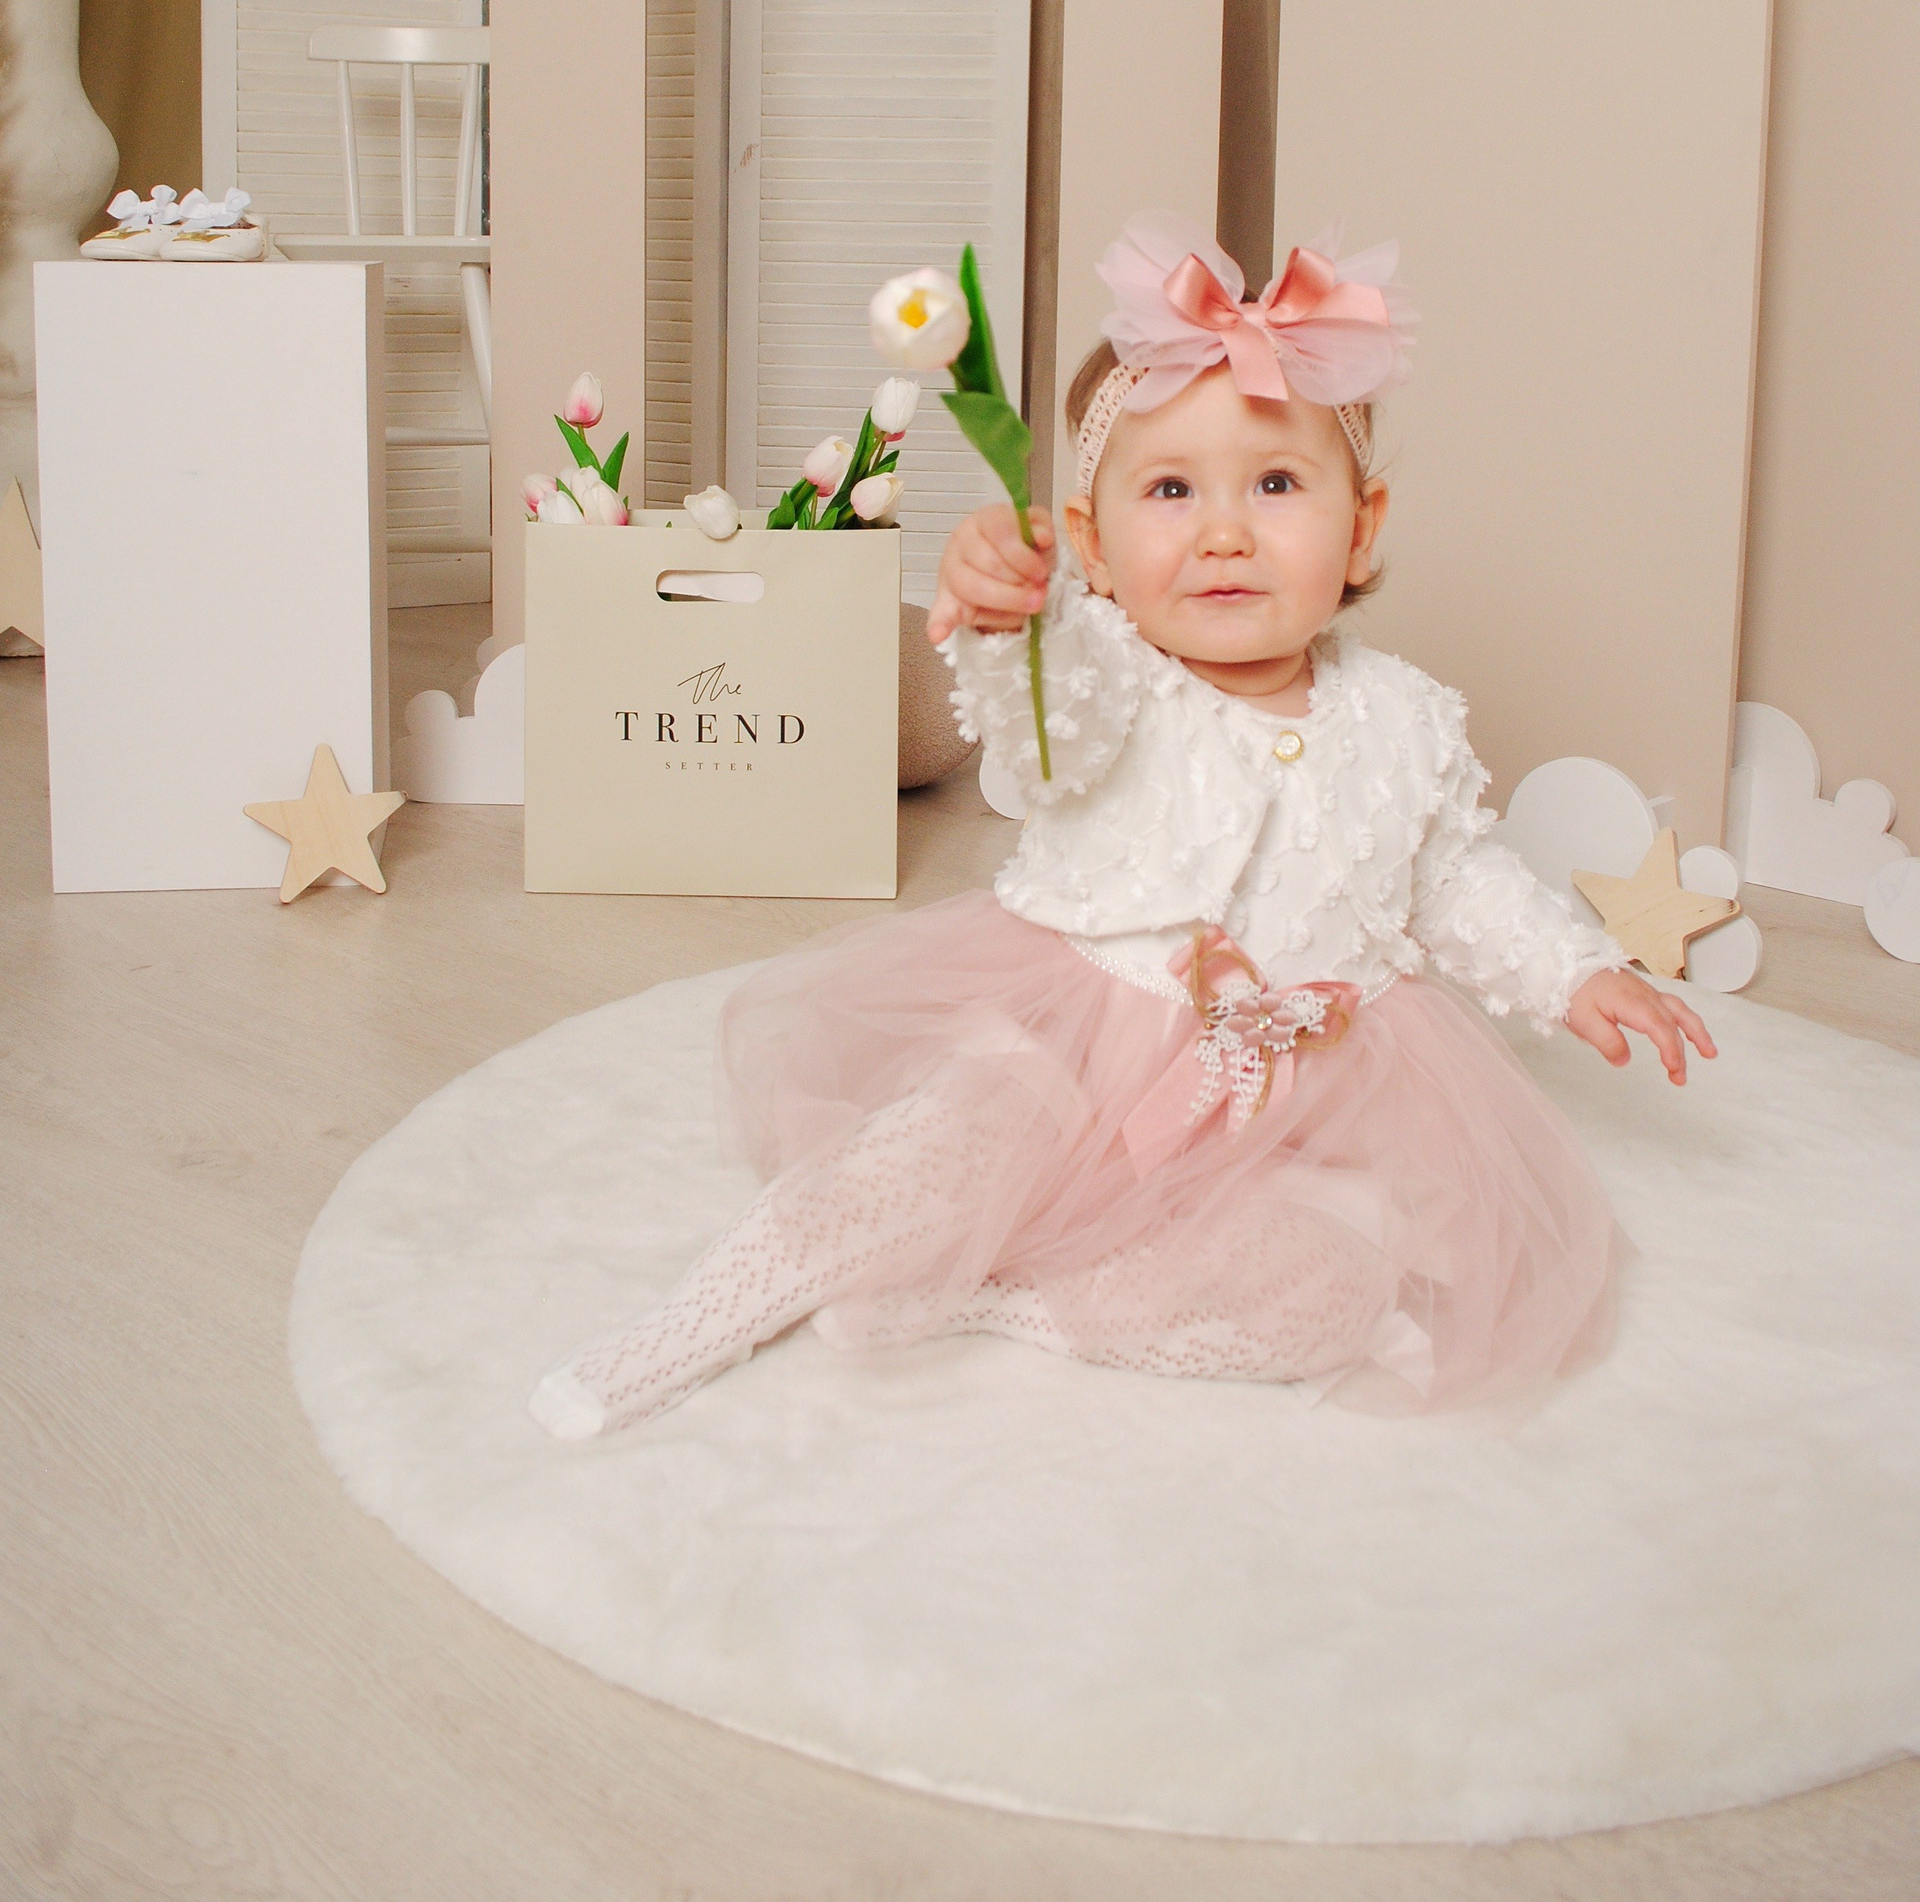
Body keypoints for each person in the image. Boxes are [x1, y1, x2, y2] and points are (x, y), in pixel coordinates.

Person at [531, 213, 1713, 1441]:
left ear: (1361, 527)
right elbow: (1047, 723)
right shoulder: (1110, 677)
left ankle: (1005, 1302)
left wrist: (1574, 971)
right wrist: (1014, 621)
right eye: (1170, 490)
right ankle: (688, 1326)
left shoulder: (1404, 714)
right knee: (925, 1162)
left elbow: (1454, 875)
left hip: (1304, 1097)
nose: (1224, 530)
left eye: (1276, 484)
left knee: (1330, 1293)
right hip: (1089, 1037)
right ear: (1092, 544)